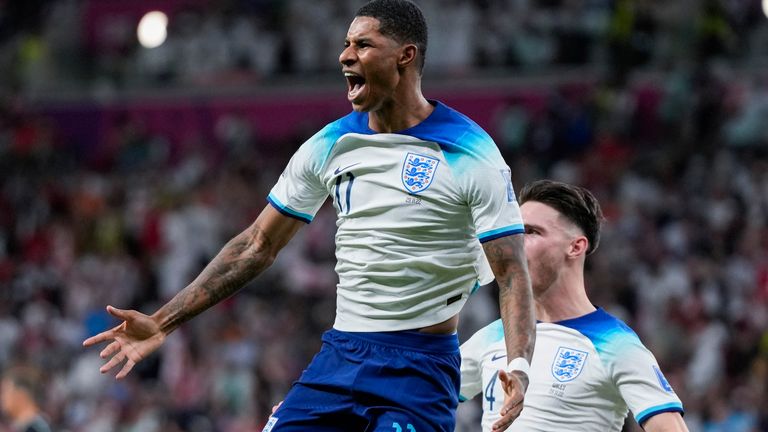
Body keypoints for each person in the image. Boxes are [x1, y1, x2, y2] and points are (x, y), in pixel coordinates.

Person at [82, 1, 536, 431]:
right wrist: (162, 321)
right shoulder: (329, 144)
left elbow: (512, 270)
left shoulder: (471, 151)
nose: (345, 56)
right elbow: (256, 245)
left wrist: (518, 364)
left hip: (418, 367)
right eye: (345, 44)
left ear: (405, 56)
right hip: (341, 354)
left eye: (363, 45)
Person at [459, 180, 688, 432]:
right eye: (515, 233)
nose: (515, 244)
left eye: (531, 232)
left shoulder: (616, 344)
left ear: (575, 246)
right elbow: (420, 397)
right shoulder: (495, 336)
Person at [1, 366, 52, 432]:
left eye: (4, 391)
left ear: (21, 395)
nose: (1, 398)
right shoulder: (22, 426)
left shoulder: (37, 428)